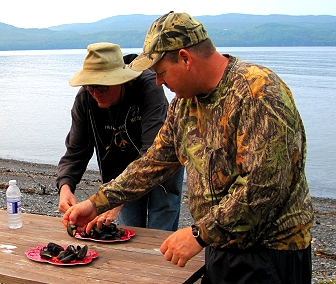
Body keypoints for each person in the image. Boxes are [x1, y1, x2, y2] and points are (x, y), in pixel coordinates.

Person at [63, 12, 313, 284]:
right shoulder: (184, 105)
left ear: (185, 58)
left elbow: (263, 189)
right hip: (219, 248)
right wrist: (97, 203)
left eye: (160, 72)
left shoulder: (258, 93)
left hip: (270, 255)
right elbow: (152, 163)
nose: (157, 82)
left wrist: (198, 234)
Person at [56, 42, 184, 231]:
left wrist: (116, 198)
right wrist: (65, 186)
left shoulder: (149, 87)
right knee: (130, 231)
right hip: (121, 174)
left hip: (160, 168)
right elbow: (76, 150)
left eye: (103, 87)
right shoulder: (85, 98)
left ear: (120, 80)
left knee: (159, 230)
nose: (96, 93)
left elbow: (153, 153)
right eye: (90, 87)